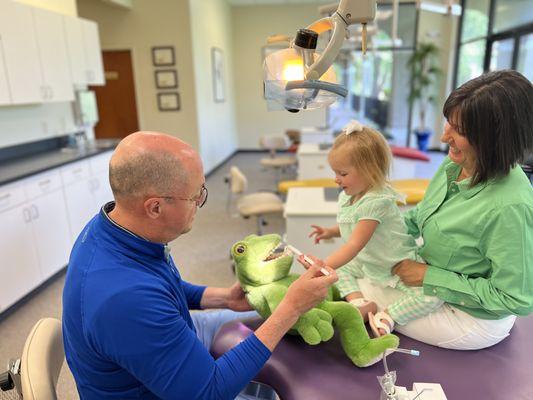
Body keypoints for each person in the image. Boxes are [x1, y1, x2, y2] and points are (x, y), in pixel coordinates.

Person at [62, 131, 338, 400]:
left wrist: (224, 298)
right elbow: (210, 392)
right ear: (154, 207)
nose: (200, 203)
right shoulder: (124, 298)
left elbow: (161, 287)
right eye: (196, 197)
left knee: (263, 324)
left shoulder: (110, 227)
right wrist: (290, 309)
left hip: (167, 334)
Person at [335, 70, 533, 350]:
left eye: (459, 130)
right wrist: (376, 229)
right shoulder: (455, 165)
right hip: (433, 280)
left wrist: (431, 277)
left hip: (469, 318)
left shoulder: (510, 207)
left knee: (360, 286)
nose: (443, 137)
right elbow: (418, 217)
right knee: (357, 266)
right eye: (448, 124)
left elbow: (515, 299)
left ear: (494, 139)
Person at [302, 120, 443, 337]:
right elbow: (353, 227)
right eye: (336, 172)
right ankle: (359, 302)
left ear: (370, 170)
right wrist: (331, 231)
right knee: (343, 270)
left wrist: (322, 267)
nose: (336, 179)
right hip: (371, 262)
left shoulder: (377, 201)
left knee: (433, 296)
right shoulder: (349, 196)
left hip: (395, 266)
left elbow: (355, 244)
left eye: (343, 173)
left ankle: (390, 315)